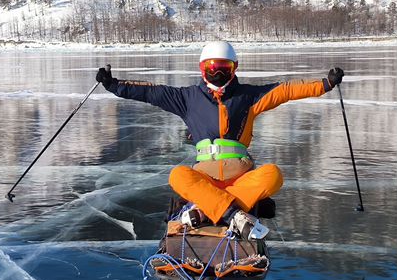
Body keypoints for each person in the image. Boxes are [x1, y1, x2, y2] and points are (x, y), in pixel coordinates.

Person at [96, 41, 344, 241]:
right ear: (202, 69)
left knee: (273, 174)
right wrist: (113, 85)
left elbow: (286, 91)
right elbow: (150, 92)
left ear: (234, 68)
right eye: (211, 68)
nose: (217, 73)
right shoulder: (187, 98)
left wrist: (325, 84)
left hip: (241, 178)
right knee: (179, 175)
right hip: (206, 178)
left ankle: (204, 211)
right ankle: (234, 214)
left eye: (223, 68)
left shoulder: (249, 96)